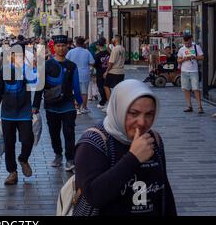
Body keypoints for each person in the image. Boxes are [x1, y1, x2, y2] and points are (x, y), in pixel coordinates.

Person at [73, 79, 177, 216]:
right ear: (119, 109)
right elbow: (93, 196)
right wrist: (133, 158)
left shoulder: (153, 139)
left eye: (149, 114)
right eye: (134, 113)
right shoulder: (94, 142)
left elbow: (164, 192)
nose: (142, 122)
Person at [33, 35, 83, 171]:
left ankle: (70, 159)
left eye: (63, 46)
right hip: (51, 106)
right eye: (58, 46)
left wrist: (80, 102)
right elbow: (39, 86)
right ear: (53, 47)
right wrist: (35, 106)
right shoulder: (46, 65)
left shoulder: (72, 66)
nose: (61, 48)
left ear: (67, 47)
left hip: (68, 106)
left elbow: (76, 86)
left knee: (69, 133)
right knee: (54, 133)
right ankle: (58, 154)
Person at [0, 45, 39, 185]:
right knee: (9, 143)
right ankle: (12, 172)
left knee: (27, 139)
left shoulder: (28, 70)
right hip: (7, 113)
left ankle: (23, 159)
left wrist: (35, 67)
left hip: (24, 112)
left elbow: (36, 83)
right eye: (15, 55)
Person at [66, 37, 95, 114]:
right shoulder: (86, 52)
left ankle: (76, 108)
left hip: (73, 73)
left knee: (75, 91)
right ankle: (84, 108)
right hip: (84, 73)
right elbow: (92, 62)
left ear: (76, 43)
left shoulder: (71, 52)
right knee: (84, 92)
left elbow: (66, 61)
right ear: (83, 43)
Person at [177, 34, 204, 114]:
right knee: (186, 89)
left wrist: (194, 57)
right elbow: (178, 60)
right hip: (184, 71)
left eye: (188, 43)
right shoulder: (181, 49)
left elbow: (202, 57)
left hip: (194, 71)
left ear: (191, 40)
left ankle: (200, 107)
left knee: (196, 88)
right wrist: (183, 59)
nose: (187, 45)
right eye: (185, 43)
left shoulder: (196, 47)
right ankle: (189, 106)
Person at [103, 35, 126, 111]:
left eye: (113, 38)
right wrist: (109, 50)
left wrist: (106, 72)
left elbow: (111, 62)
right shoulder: (122, 48)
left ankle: (110, 105)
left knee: (106, 86)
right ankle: (118, 104)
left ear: (116, 39)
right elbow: (116, 55)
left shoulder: (115, 49)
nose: (112, 39)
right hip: (121, 71)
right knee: (118, 88)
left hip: (114, 71)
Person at [94, 37, 110, 109]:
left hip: (100, 72)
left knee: (100, 87)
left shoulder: (97, 55)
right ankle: (107, 99)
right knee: (107, 86)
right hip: (108, 71)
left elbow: (95, 64)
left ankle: (103, 101)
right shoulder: (108, 52)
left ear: (98, 45)